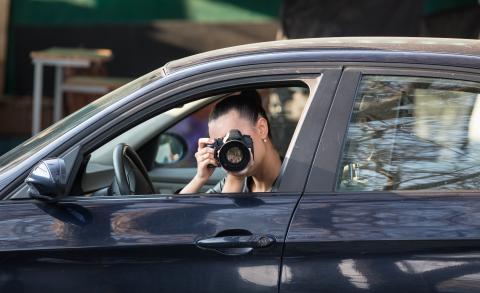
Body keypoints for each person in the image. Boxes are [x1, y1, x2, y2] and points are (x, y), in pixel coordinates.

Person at [180, 90, 282, 194]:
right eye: (221, 145)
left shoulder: (297, 180)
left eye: (233, 139)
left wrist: (236, 179)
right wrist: (200, 178)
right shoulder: (235, 180)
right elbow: (173, 209)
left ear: (261, 128)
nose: (229, 150)